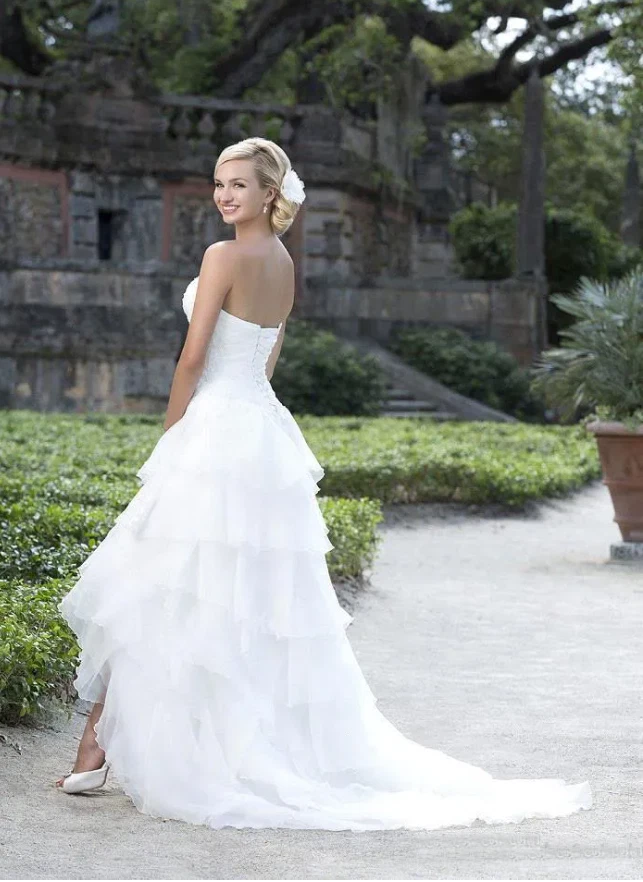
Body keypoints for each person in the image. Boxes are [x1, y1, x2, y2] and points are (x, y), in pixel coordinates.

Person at [55, 137, 593, 831]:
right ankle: (108, 746)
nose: (224, 195)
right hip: (257, 430)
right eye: (219, 183)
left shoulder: (222, 257)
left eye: (240, 185)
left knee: (165, 585)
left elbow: (191, 361)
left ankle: (107, 748)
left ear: (268, 195)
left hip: (216, 428)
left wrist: (172, 437)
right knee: (205, 594)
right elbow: (267, 356)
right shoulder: (282, 263)